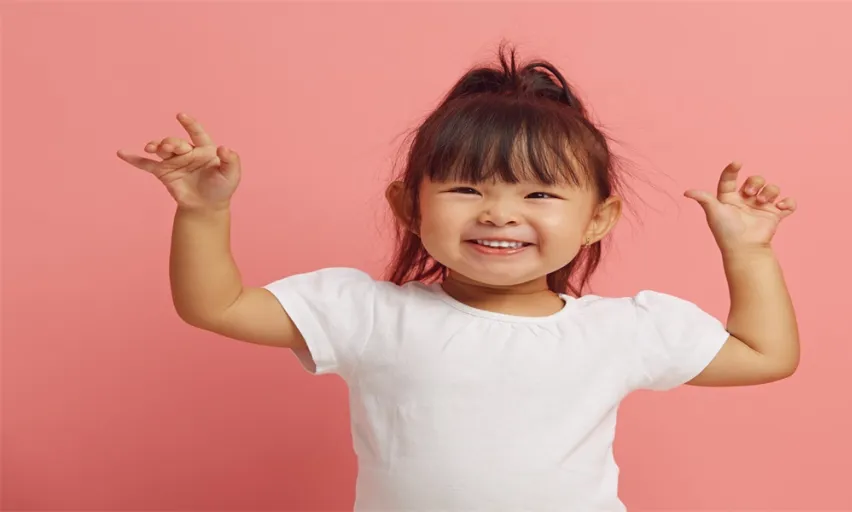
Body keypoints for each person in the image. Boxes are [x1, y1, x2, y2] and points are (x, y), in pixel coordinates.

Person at [117, 46, 800, 511]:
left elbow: (766, 355)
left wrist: (748, 251)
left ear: (598, 220)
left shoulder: (620, 331)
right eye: (467, 188)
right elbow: (218, 305)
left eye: (539, 196)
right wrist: (204, 212)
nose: (500, 212)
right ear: (408, 207)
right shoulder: (371, 314)